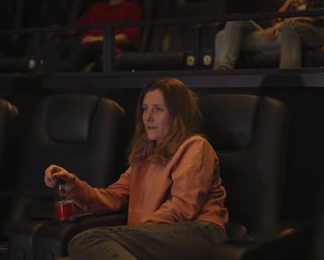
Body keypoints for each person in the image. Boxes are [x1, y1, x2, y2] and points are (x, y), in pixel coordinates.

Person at [44, 78, 228, 260]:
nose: (147, 117)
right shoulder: (144, 159)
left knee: (87, 240)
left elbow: (181, 208)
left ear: (177, 115)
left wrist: (133, 233)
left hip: (200, 233)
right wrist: (71, 183)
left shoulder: (195, 146)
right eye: (145, 109)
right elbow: (112, 198)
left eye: (158, 109)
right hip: (153, 234)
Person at [213, 0, 324, 69]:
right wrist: (287, 5)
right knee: (234, 22)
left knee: (223, 37)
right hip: (275, 34)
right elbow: (277, 20)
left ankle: (223, 71)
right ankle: (222, 72)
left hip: (293, 34)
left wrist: (293, 20)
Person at [42, 0, 142, 72]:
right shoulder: (97, 7)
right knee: (66, 44)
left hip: (109, 45)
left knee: (89, 47)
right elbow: (77, 28)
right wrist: (60, 29)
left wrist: (95, 38)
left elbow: (128, 38)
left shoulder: (132, 8)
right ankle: (42, 69)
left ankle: (62, 71)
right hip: (86, 41)